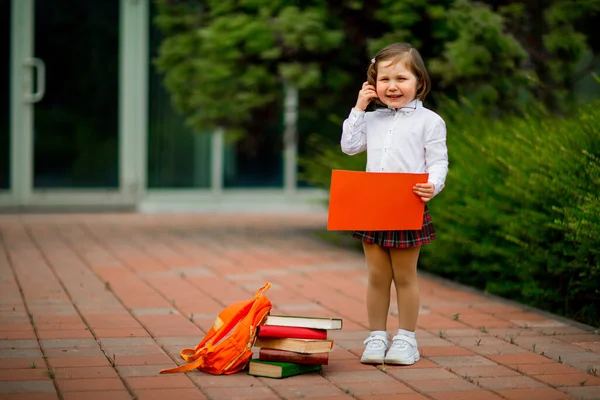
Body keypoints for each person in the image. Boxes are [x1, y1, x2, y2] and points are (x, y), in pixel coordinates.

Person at [340, 42, 448, 365]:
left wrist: (432, 185)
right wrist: (359, 108)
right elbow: (349, 146)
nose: (392, 86)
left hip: (407, 204)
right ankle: (376, 335)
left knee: (404, 275)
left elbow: (439, 161)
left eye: (401, 78)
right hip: (372, 205)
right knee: (376, 275)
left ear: (420, 83)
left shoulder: (430, 121)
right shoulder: (371, 120)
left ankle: (406, 339)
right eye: (384, 79)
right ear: (373, 84)